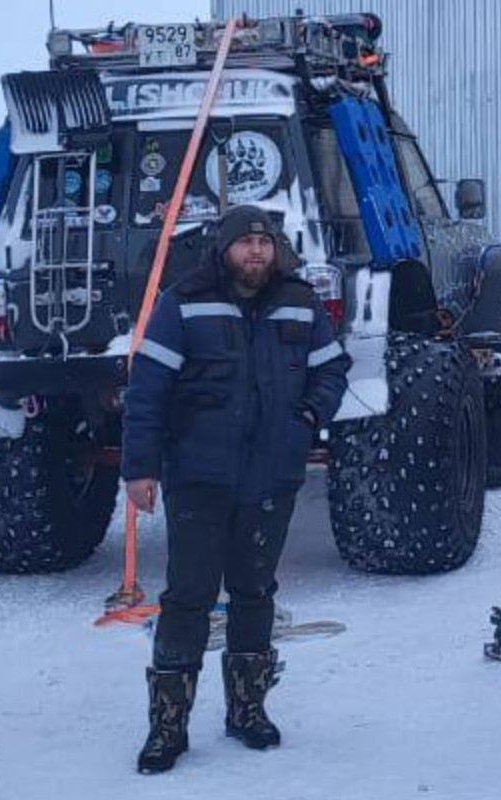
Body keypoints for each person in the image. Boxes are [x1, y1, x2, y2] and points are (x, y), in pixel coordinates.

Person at [121, 205, 351, 774]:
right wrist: (139, 470)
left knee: (254, 593)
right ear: (223, 248)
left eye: (265, 243)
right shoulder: (183, 302)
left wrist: (306, 419)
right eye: (245, 242)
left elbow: (331, 369)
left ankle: (247, 710)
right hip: (198, 477)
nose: (256, 252)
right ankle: (167, 725)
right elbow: (147, 391)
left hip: (271, 476)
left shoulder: (300, 303)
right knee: (188, 597)